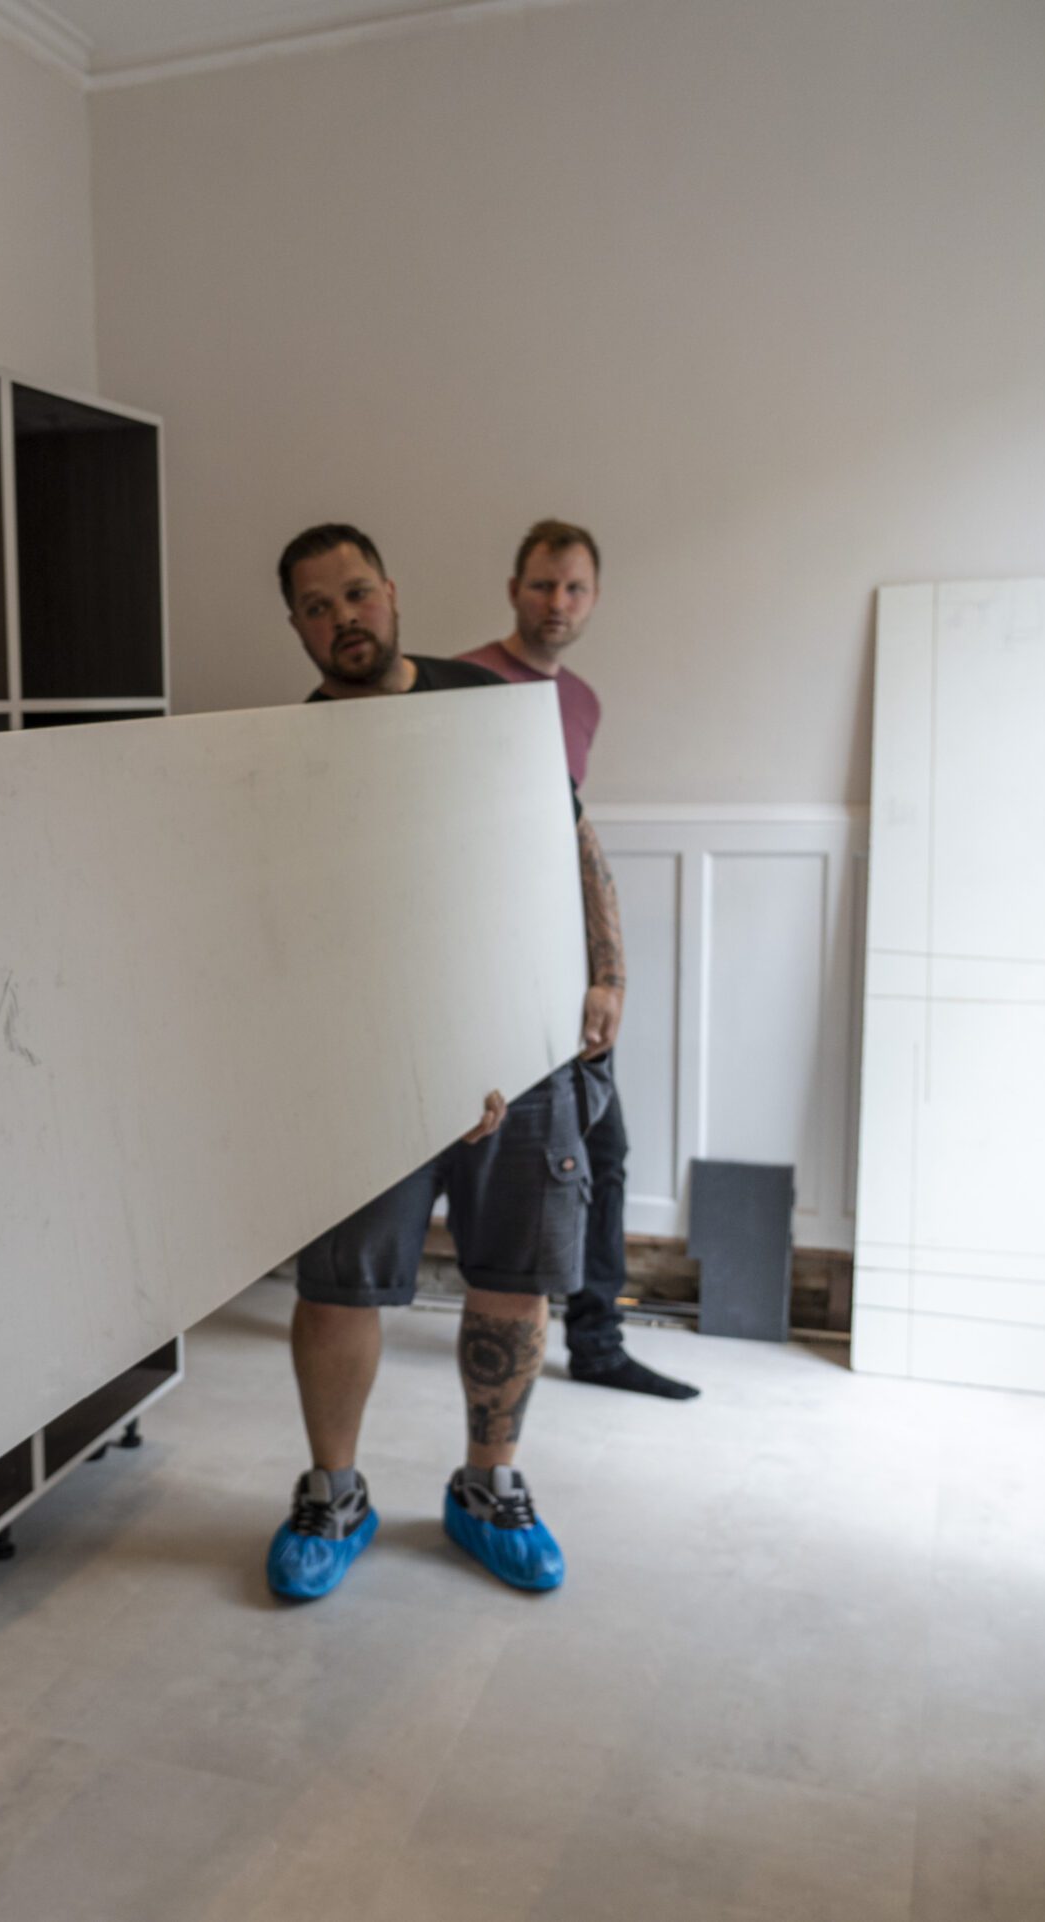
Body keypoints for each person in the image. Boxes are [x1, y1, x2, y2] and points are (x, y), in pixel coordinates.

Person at [266, 523, 616, 1604]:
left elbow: (572, 840)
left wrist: (606, 973)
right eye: (317, 606)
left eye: (356, 593)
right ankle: (334, 1493)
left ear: (392, 591)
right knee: (339, 1284)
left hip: (523, 1042)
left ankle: (488, 1487)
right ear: (296, 627)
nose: (344, 618)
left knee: (513, 1275)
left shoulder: (489, 702)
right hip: (369, 1061)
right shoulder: (284, 754)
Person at [457, 521, 698, 1401]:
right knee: (469, 1156)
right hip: (482, 966)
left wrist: (604, 970)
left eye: (574, 588)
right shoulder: (464, 682)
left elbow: (572, 843)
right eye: (541, 585)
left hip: (563, 963)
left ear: (594, 599)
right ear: (512, 589)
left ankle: (596, 1342)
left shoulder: (584, 701)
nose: (556, 603)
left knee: (606, 1148)